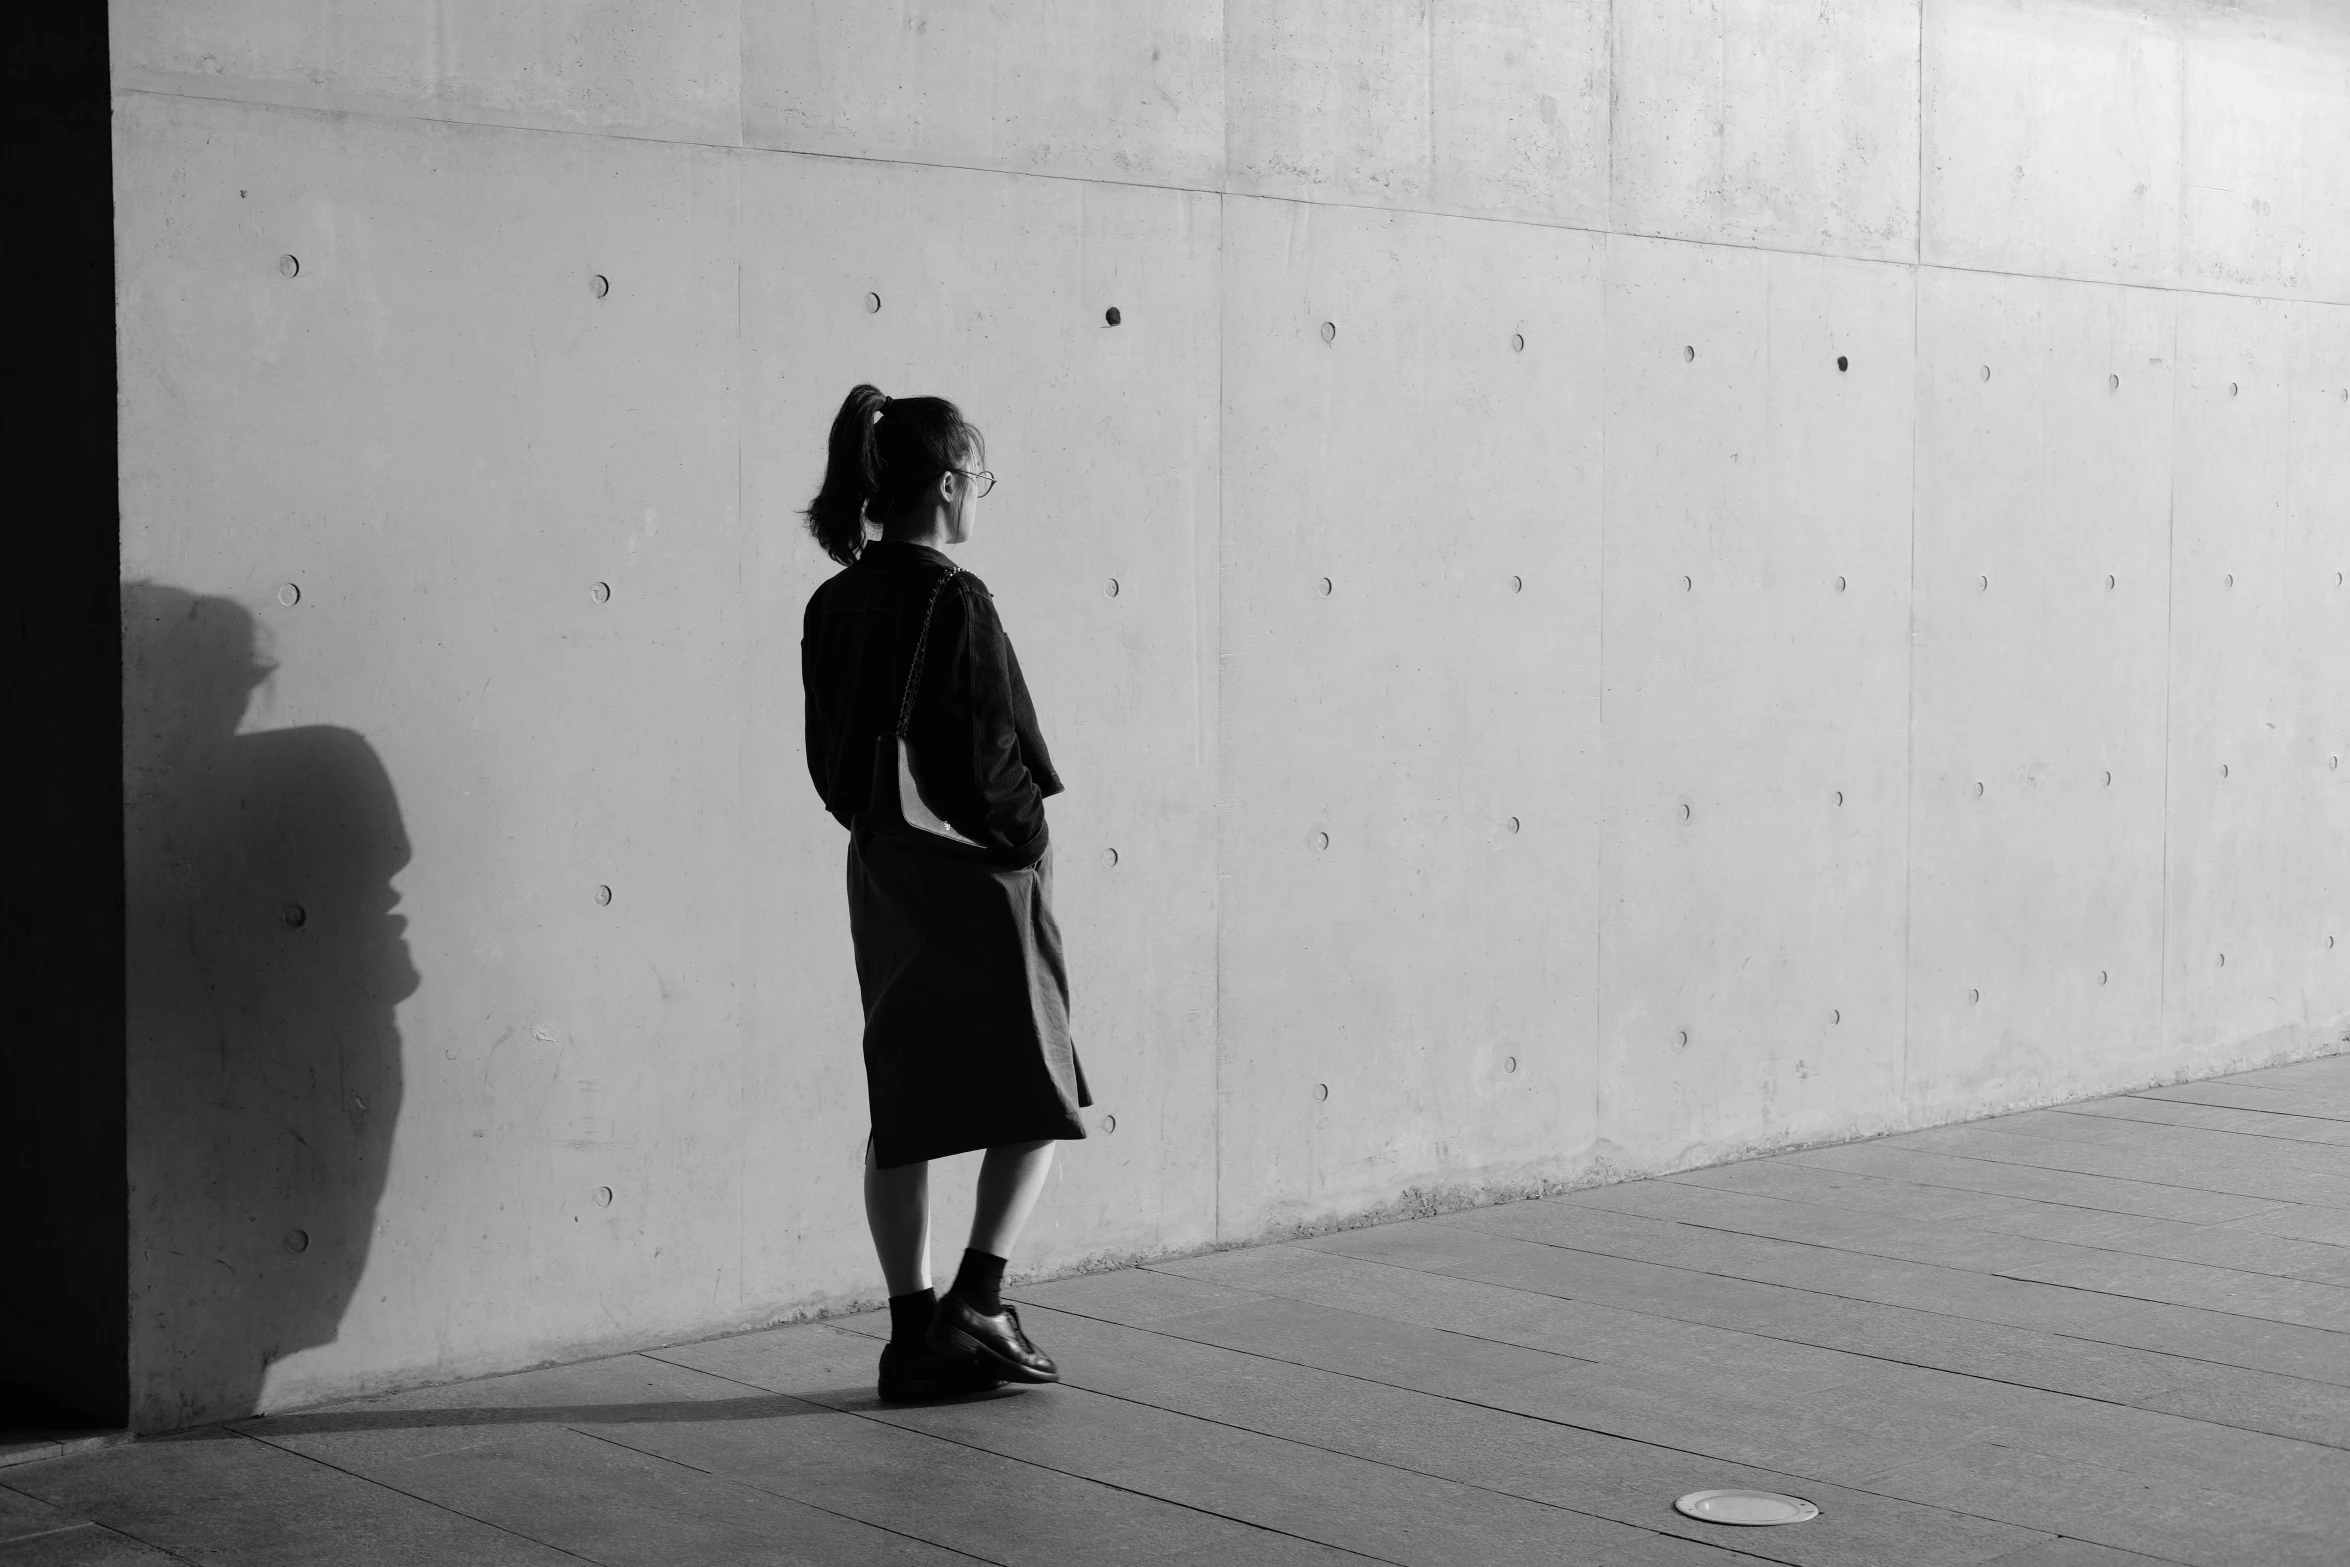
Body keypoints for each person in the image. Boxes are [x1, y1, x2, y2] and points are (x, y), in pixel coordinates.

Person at [799, 383, 1092, 1403]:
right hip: (978, 870)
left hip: (881, 862)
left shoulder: (831, 601)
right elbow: (987, 748)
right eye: (980, 474)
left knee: (906, 1099)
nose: (983, 491)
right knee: (1037, 1085)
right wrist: (1028, 839)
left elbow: (827, 756)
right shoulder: (953, 596)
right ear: (947, 482)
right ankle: (981, 1293)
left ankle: (911, 1335)